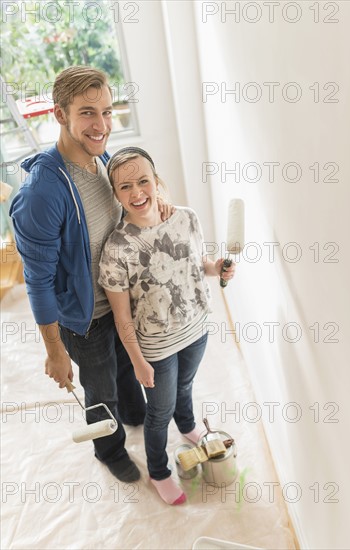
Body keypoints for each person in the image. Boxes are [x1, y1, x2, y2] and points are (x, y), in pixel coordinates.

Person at [9, 66, 173, 483]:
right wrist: (54, 350)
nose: (101, 125)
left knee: (124, 364)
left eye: (105, 110)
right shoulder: (42, 195)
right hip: (84, 318)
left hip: (119, 300)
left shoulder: (100, 157)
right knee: (100, 389)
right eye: (86, 113)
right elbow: (38, 282)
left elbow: (129, 199)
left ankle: (133, 413)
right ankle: (109, 448)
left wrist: (160, 203)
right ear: (60, 114)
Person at [98, 147, 236, 504]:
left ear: (156, 181)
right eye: (125, 186)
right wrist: (137, 360)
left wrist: (217, 267)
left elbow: (199, 264)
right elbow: (122, 316)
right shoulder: (116, 248)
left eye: (143, 181)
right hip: (156, 347)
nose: (137, 192)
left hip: (196, 328)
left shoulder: (186, 218)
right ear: (115, 194)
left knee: (185, 385)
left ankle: (188, 424)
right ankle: (159, 471)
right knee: (158, 412)